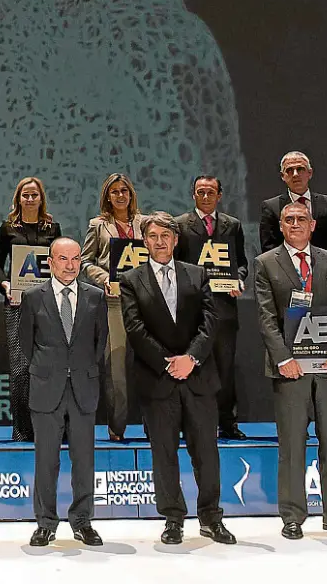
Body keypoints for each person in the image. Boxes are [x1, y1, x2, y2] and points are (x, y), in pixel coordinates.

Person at [120, 213, 235, 545]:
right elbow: (135, 329)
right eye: (153, 236)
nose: (160, 242)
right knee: (164, 454)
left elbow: (210, 321)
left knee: (206, 454)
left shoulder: (197, 274)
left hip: (198, 377)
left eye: (165, 236)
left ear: (175, 239)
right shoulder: (131, 280)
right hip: (158, 380)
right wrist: (168, 364)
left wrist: (191, 358)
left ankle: (211, 518)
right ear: (145, 241)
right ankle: (173, 519)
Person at [254, 201, 327, 539]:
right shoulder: (266, 263)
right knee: (292, 445)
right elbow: (266, 317)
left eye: (301, 218)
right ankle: (292, 516)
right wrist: (282, 359)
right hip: (290, 369)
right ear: (281, 226)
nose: (295, 224)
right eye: (289, 219)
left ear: (312, 224)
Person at [18, 237, 105, 547]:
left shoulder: (95, 297)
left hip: (83, 387)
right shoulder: (33, 297)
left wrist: (79, 369)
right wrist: (50, 368)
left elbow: (100, 342)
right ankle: (45, 523)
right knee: (46, 460)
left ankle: (82, 521)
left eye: (76, 259)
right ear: (50, 262)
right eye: (63, 259)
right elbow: (26, 343)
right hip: (46, 388)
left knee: (84, 460)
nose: (70, 265)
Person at [173, 175, 248, 439]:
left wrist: (239, 279)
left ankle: (227, 423)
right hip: (191, 310)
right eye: (201, 192)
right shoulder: (180, 225)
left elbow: (241, 262)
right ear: (193, 194)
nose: (205, 196)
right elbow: (174, 265)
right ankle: (190, 423)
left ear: (220, 195)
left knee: (225, 368)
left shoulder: (232, 225)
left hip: (224, 308)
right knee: (191, 367)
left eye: (211, 192)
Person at [0, 176, 61, 442]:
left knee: (50, 366)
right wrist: (5, 285)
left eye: (34, 195)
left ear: (41, 198)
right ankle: (22, 429)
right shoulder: (7, 228)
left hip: (48, 305)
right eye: (25, 195)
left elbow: (59, 263)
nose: (30, 199)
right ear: (18, 199)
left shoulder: (52, 228)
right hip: (17, 303)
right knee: (21, 369)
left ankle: (53, 425)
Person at [81, 173, 149, 441]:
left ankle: (153, 426)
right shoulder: (98, 225)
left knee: (151, 365)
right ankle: (117, 428)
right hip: (114, 302)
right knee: (116, 368)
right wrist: (104, 279)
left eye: (124, 191)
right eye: (115, 191)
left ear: (131, 194)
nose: (120, 195)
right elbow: (85, 261)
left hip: (146, 303)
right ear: (107, 196)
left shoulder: (146, 223)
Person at [259, 151, 327, 264]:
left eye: (300, 169)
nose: (295, 174)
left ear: (310, 173)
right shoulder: (271, 207)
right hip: (285, 272)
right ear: (283, 176)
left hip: (326, 271)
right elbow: (269, 248)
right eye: (289, 170)